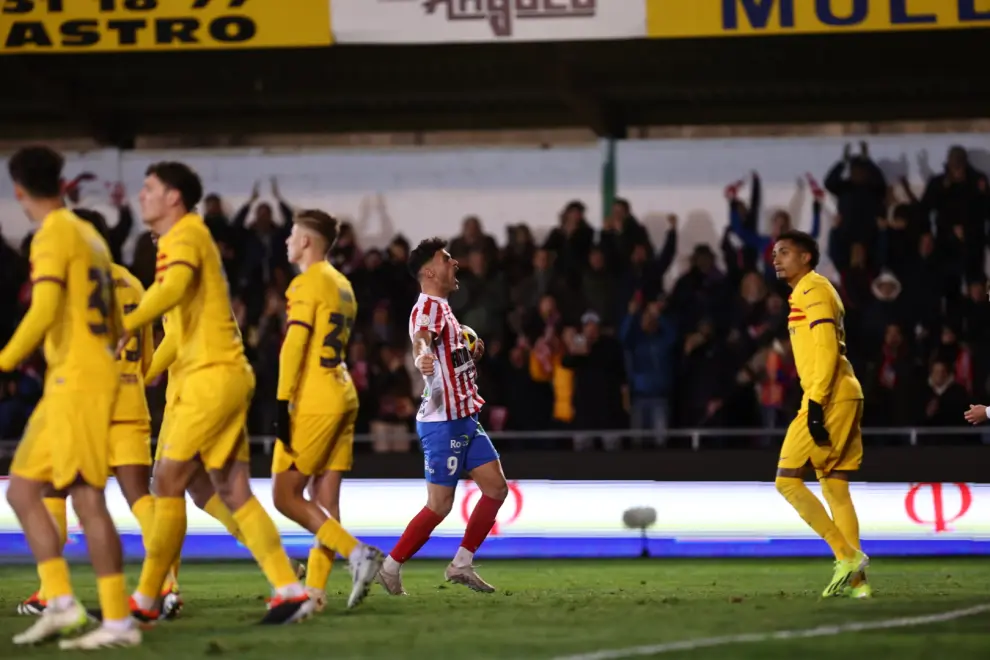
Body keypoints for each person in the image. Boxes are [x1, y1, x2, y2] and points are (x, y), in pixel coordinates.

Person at [120, 161, 313, 625]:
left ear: (173, 198)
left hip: (208, 378)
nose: (140, 195)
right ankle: (289, 589)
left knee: (166, 482)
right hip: (224, 374)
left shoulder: (184, 235)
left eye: (149, 188)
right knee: (231, 489)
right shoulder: (181, 239)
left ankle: (147, 601)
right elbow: (175, 310)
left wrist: (122, 326)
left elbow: (171, 291)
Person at [1, 146, 141, 648]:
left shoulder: (53, 234)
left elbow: (41, 312)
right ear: (59, 182)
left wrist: (3, 360)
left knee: (85, 497)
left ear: (19, 192)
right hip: (74, 377)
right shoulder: (89, 237)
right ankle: (61, 603)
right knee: (21, 490)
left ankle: (118, 623)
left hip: (78, 379)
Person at [15, 209, 157, 620]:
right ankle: (164, 585)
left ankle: (51, 593)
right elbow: (147, 357)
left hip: (84, 397)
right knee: (139, 497)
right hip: (130, 398)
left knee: (57, 493)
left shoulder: (76, 275)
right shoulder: (134, 283)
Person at [376, 238, 509, 596]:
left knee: (496, 489)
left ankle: (461, 563)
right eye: (447, 258)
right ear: (430, 271)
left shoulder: (445, 310)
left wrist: (469, 354)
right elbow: (421, 338)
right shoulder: (428, 309)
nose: (455, 264)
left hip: (465, 416)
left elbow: (445, 354)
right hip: (443, 421)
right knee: (440, 505)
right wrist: (420, 355)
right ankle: (390, 567)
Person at [272, 209, 384, 611]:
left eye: (291, 234)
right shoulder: (343, 284)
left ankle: (357, 553)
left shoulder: (307, 282)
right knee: (326, 497)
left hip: (315, 397)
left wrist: (282, 400)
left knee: (285, 495)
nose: (287, 241)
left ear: (305, 241)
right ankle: (316, 592)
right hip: (343, 390)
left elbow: (295, 344)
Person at [771, 230, 870, 599]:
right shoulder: (809, 291)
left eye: (784, 252)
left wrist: (814, 403)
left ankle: (846, 555)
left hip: (826, 396)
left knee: (786, 480)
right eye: (775, 253)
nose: (776, 259)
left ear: (806, 258)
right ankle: (860, 587)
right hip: (843, 393)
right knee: (835, 488)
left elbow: (827, 348)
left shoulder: (812, 290)